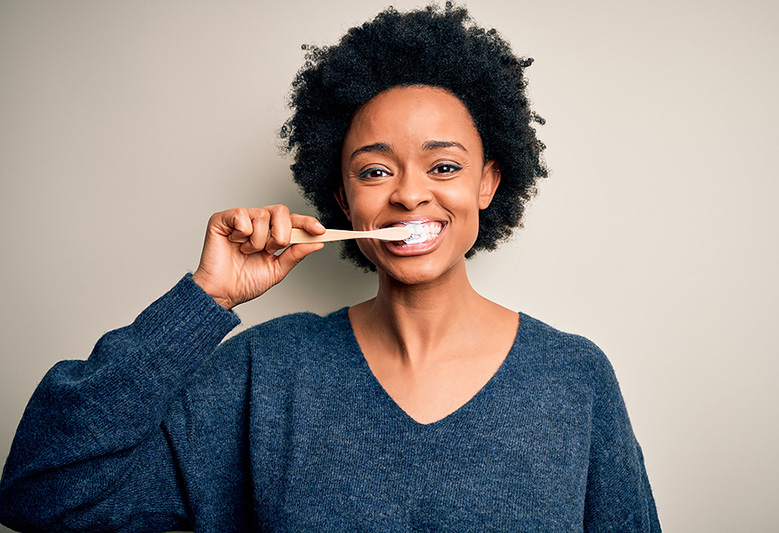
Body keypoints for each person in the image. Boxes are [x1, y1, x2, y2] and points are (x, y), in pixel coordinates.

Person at [0, 4, 659, 531]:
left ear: (489, 180)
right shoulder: (264, 374)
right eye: (376, 170)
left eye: (445, 166)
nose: (408, 193)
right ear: (344, 198)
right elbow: (43, 493)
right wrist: (205, 298)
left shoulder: (574, 379)